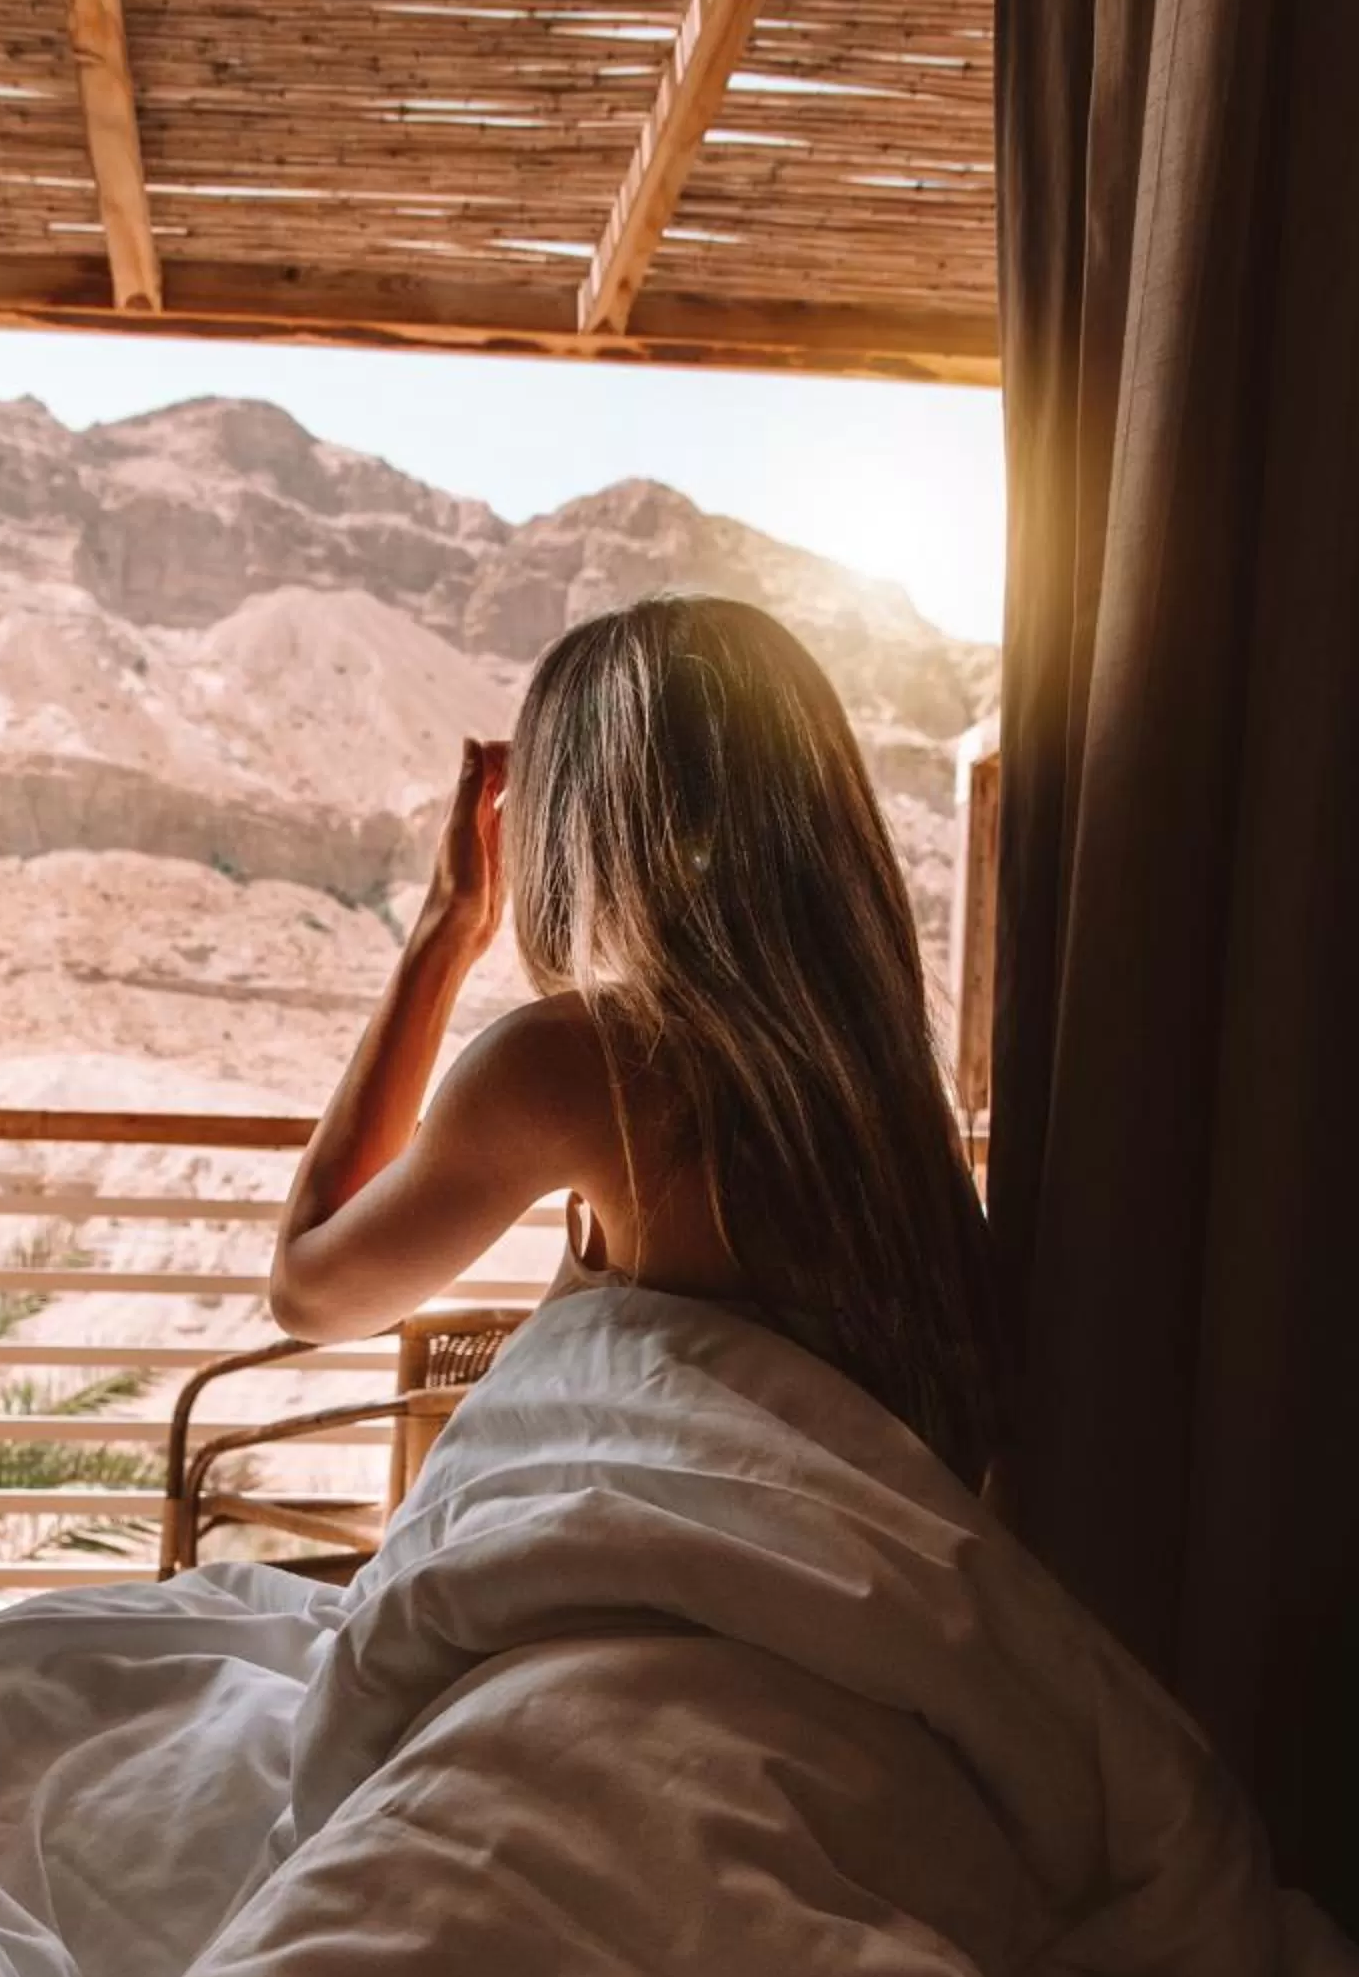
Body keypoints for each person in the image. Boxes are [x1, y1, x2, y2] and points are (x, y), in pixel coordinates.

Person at [270, 594, 1007, 1491]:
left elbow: (314, 1295)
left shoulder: (588, 1063)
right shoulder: (883, 1090)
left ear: (583, 823)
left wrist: (445, 932)